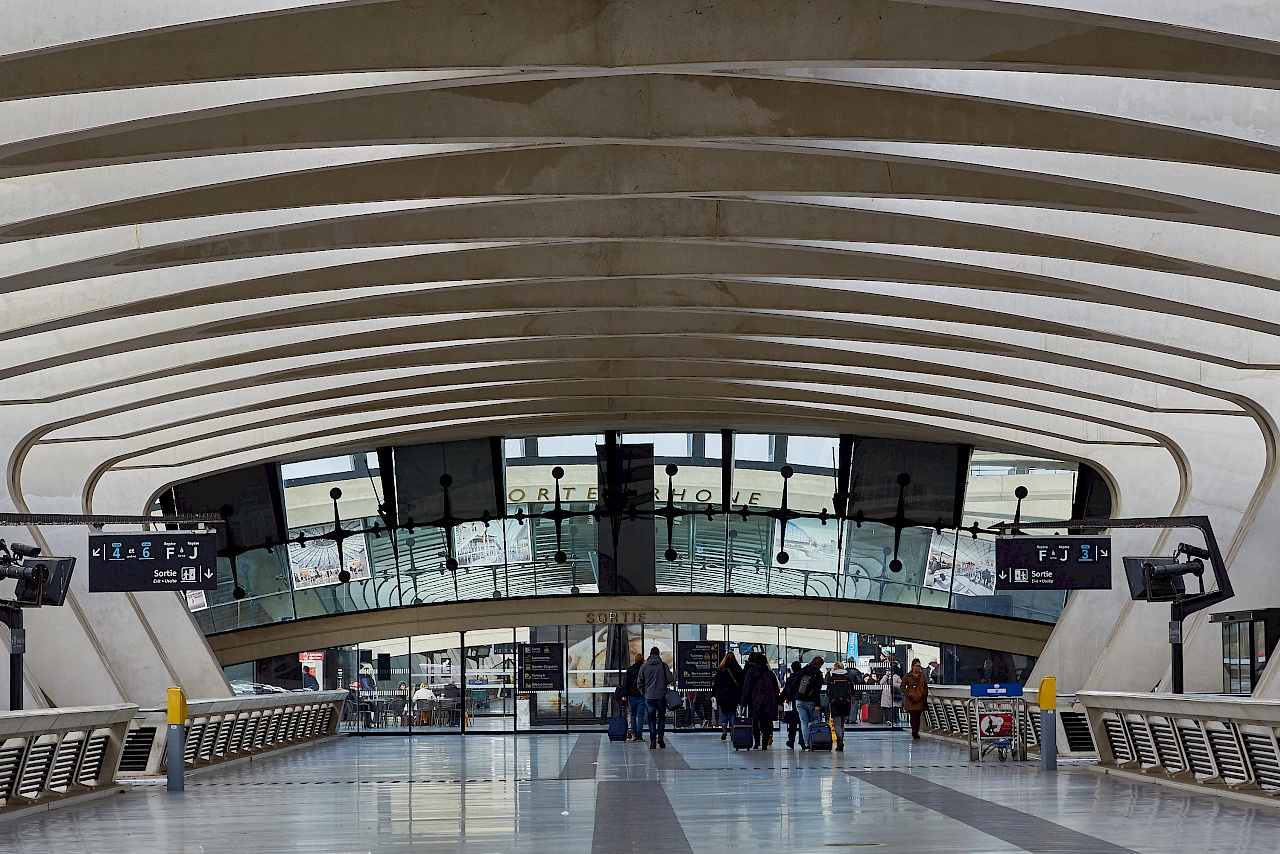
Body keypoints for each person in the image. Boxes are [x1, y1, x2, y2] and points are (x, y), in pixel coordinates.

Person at [739, 652, 781, 749]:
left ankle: (757, 741)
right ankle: (765, 743)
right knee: (767, 722)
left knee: (754, 721)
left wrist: (743, 701)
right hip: (769, 701)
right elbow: (776, 688)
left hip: (754, 701)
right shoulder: (770, 673)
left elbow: (747, 687)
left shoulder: (751, 672)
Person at [637, 646, 675, 749]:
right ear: (658, 654)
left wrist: (644, 693)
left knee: (651, 719)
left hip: (649, 697)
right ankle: (660, 738)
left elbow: (639, 682)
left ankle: (653, 741)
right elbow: (670, 678)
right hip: (661, 696)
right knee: (662, 718)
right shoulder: (663, 666)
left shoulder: (644, 667)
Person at [793, 656, 825, 750]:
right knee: (815, 721)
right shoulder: (818, 674)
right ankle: (814, 741)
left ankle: (806, 743)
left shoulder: (803, 670)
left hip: (799, 700)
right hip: (811, 701)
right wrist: (818, 704)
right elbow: (817, 691)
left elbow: (796, 685)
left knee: (804, 722)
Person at [712, 651, 744, 740]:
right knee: (732, 712)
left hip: (723, 694)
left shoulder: (721, 669)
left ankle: (724, 731)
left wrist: (713, 694)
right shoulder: (738, 668)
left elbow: (716, 683)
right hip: (734, 693)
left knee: (724, 712)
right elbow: (741, 683)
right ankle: (732, 731)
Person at [826, 659, 855, 751]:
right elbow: (852, 691)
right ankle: (841, 740)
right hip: (846, 703)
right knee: (842, 724)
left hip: (835, 703)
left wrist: (831, 699)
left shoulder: (831, 679)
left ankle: (839, 741)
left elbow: (828, 691)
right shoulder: (848, 678)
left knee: (837, 724)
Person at [902, 658, 929, 739]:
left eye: (919, 666)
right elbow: (902, 686)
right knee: (913, 716)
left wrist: (924, 694)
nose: (918, 668)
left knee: (918, 716)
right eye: (917, 666)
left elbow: (925, 686)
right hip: (911, 699)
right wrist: (908, 693)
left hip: (920, 699)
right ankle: (914, 730)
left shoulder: (922, 676)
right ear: (912, 666)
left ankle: (916, 730)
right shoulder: (908, 676)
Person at [623, 652, 646, 742]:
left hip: (632, 696)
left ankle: (634, 734)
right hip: (641, 695)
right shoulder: (644, 669)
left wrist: (624, 694)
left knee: (632, 715)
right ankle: (639, 735)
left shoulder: (630, 670)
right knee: (640, 716)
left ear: (635, 660)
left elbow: (626, 683)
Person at [781, 661, 804, 748]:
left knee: (792, 724)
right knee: (803, 722)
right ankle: (803, 741)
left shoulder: (791, 678)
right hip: (802, 700)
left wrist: (781, 700)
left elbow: (786, 691)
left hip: (792, 702)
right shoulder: (803, 677)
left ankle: (791, 741)